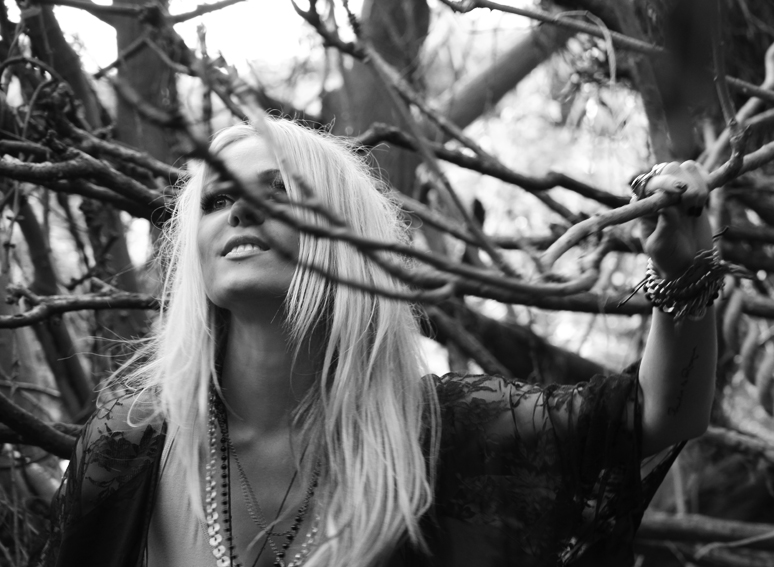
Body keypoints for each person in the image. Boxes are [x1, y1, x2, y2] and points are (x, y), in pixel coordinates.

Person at [42, 117, 720, 567]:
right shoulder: (132, 439)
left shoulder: (442, 432)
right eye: (217, 201)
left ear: (347, 235)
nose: (241, 210)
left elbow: (659, 415)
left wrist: (684, 270)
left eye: (278, 191)